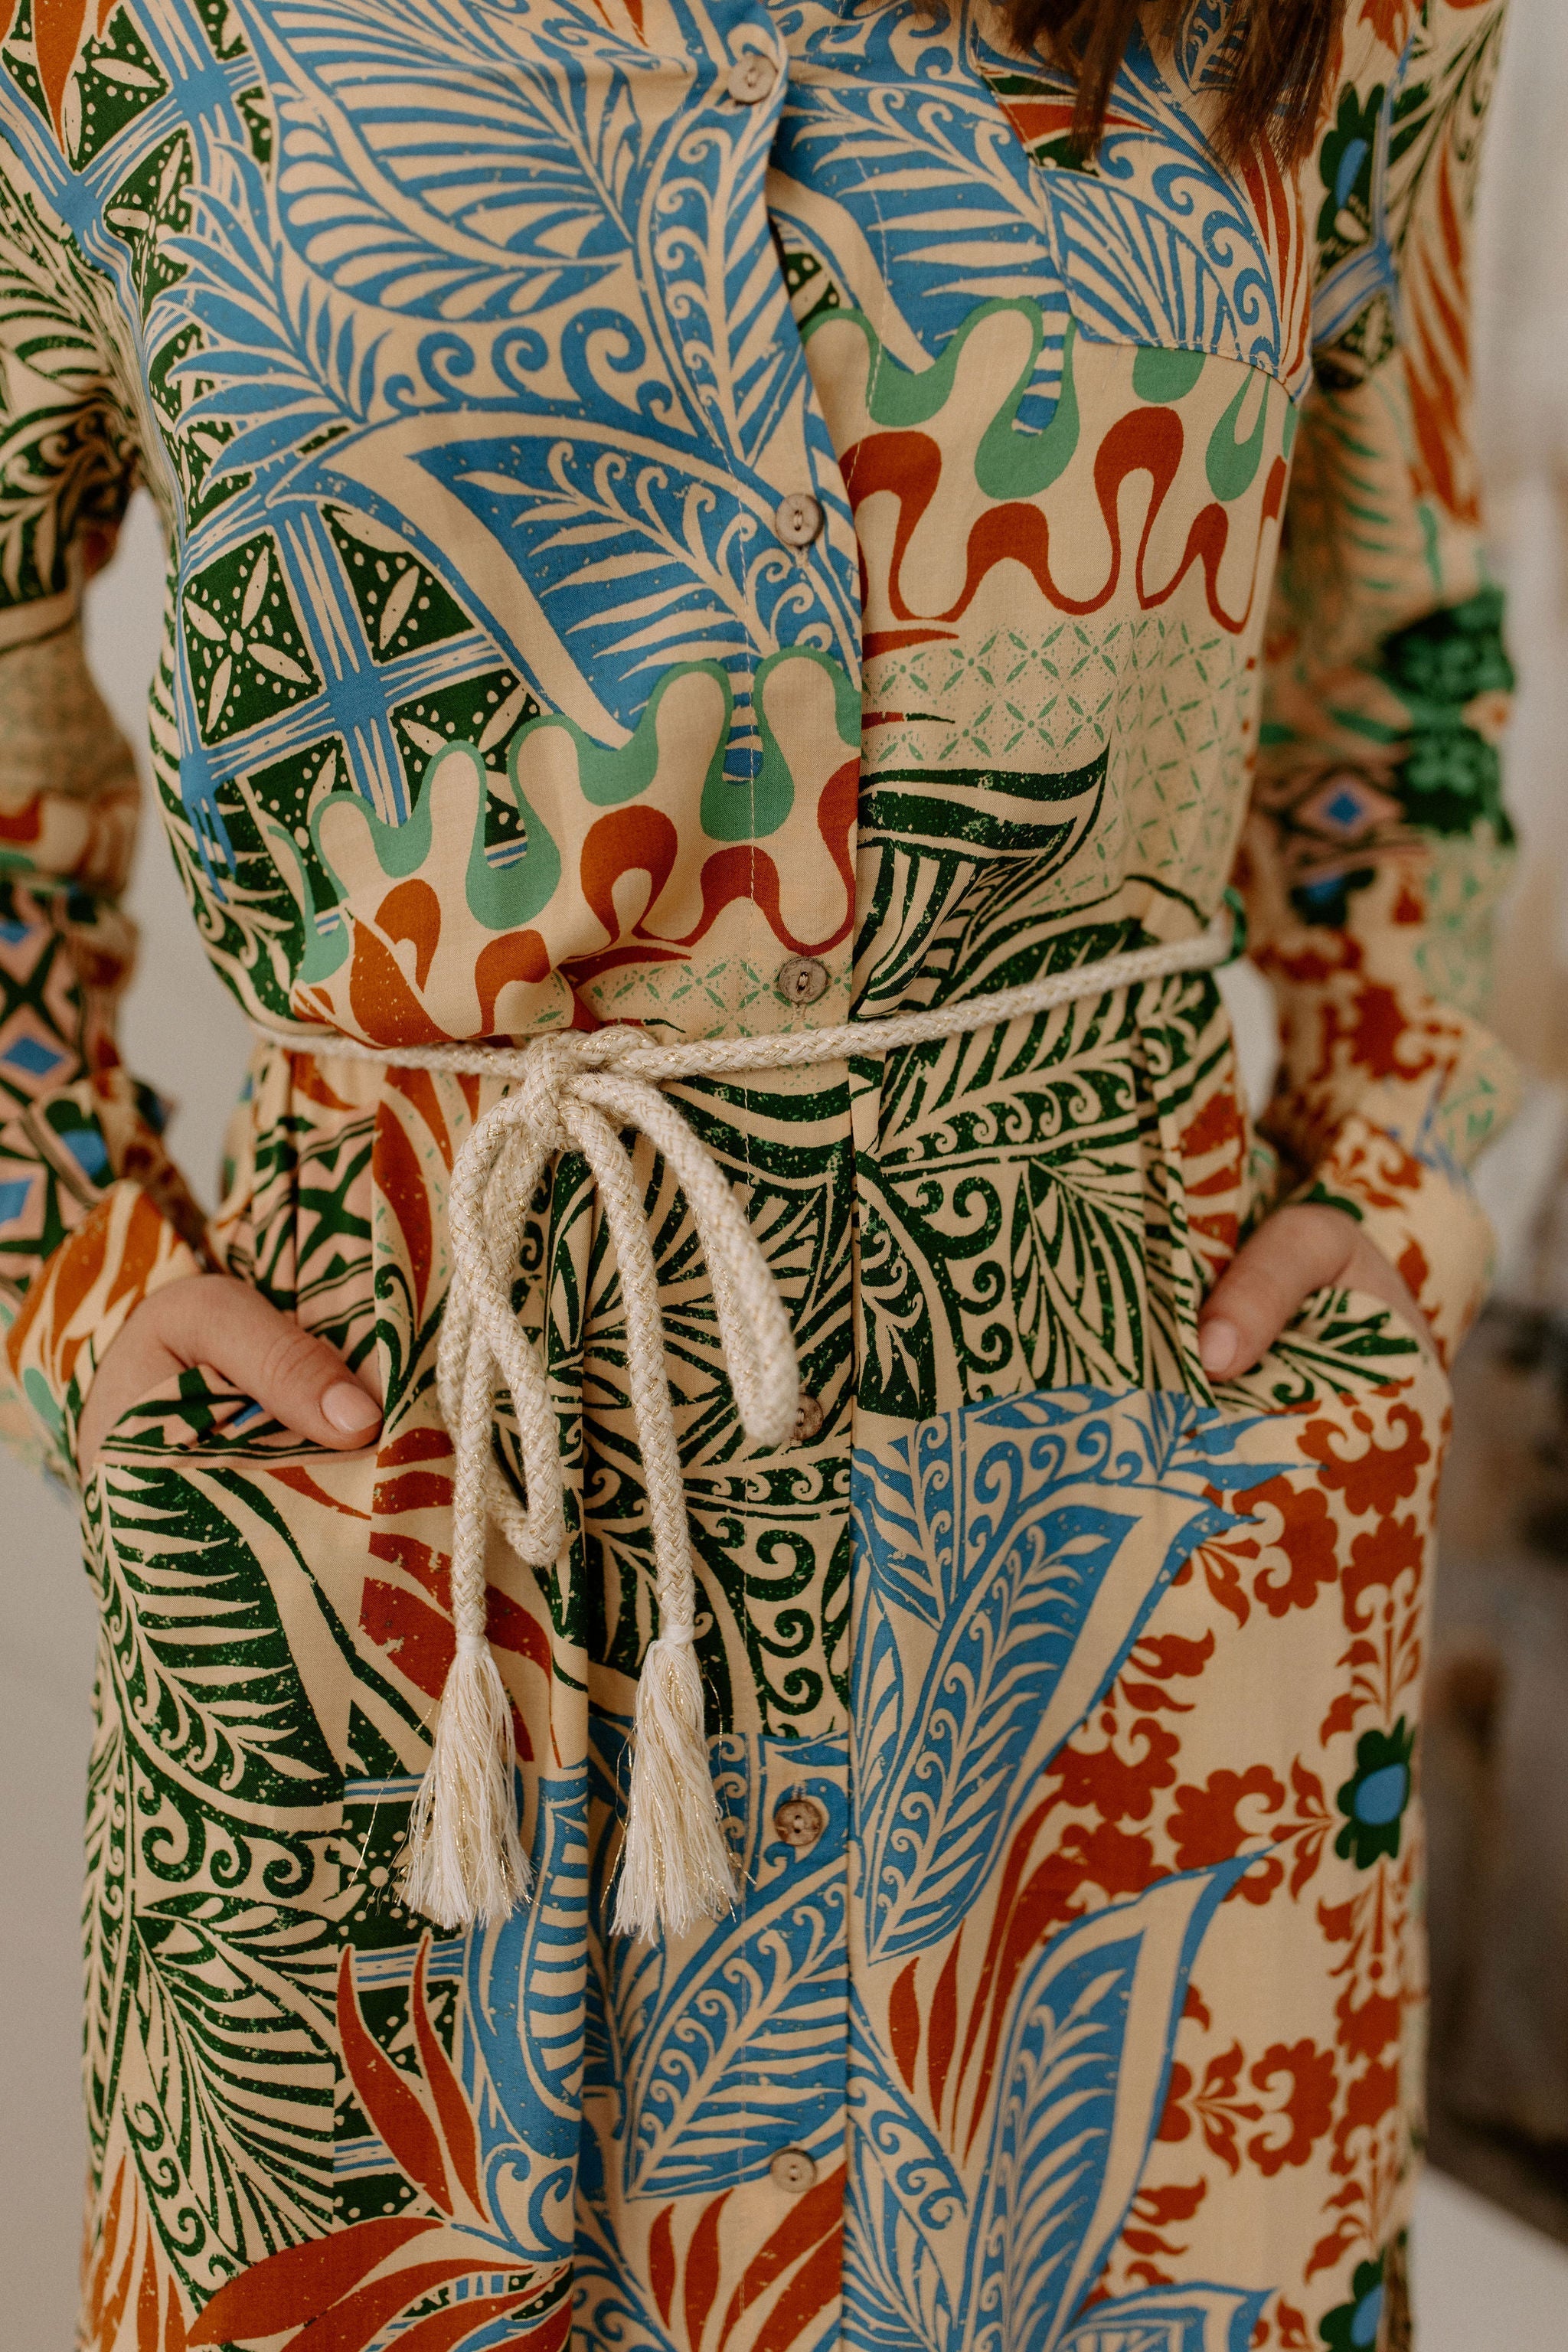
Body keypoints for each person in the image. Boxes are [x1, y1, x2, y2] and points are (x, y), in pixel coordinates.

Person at [0, 0, 1517, 2345]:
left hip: (1120, 1519)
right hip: (415, 1515)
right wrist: (64, 1258)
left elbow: (1394, 661)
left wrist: (1399, 1177)